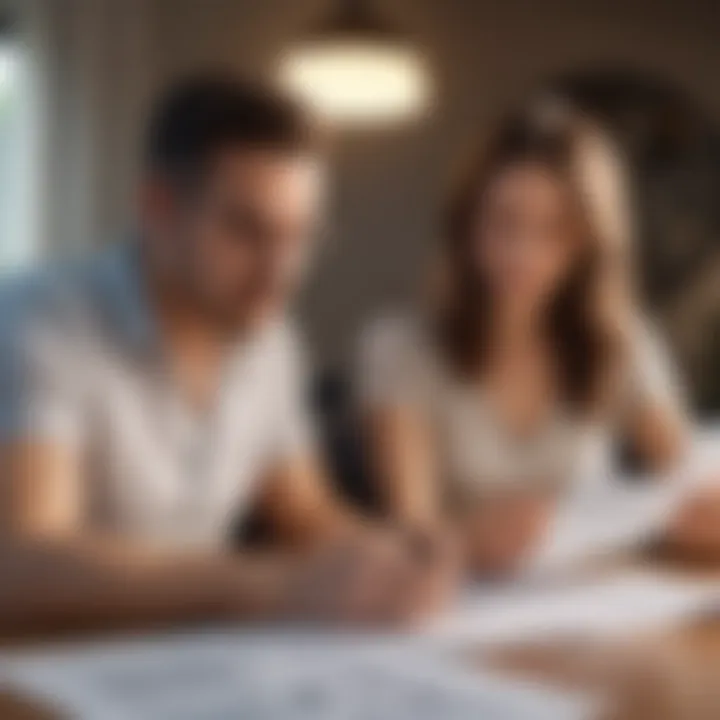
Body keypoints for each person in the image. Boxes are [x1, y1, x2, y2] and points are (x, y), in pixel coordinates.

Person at [0, 75, 453, 633]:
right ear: (157, 207)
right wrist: (274, 584)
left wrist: (391, 554)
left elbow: (302, 509)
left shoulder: (267, 337)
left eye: (300, 236)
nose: (280, 273)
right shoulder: (41, 321)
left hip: (179, 659)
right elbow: (23, 563)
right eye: (247, 231)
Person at [358, 101, 711, 577]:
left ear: (589, 242)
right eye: (503, 222)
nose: (522, 254)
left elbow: (684, 475)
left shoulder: (619, 340)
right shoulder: (401, 348)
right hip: (450, 600)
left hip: (583, 603)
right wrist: (467, 541)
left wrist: (698, 512)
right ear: (467, 224)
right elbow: (409, 536)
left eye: (554, 231)